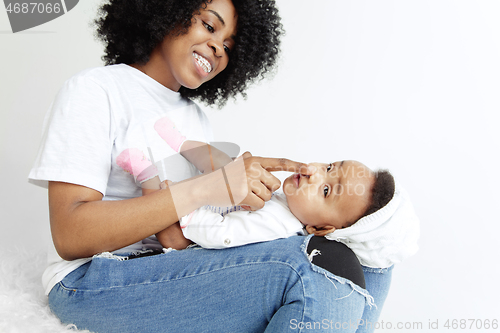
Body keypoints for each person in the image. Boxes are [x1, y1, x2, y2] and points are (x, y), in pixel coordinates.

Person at [28, 0, 395, 332]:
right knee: (316, 266)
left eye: (230, 46)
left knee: (372, 259)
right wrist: (207, 187)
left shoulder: (195, 119)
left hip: (171, 265)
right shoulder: (95, 90)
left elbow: (205, 225)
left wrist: (244, 195)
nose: (219, 48)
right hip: (90, 281)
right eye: (209, 25)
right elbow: (69, 235)